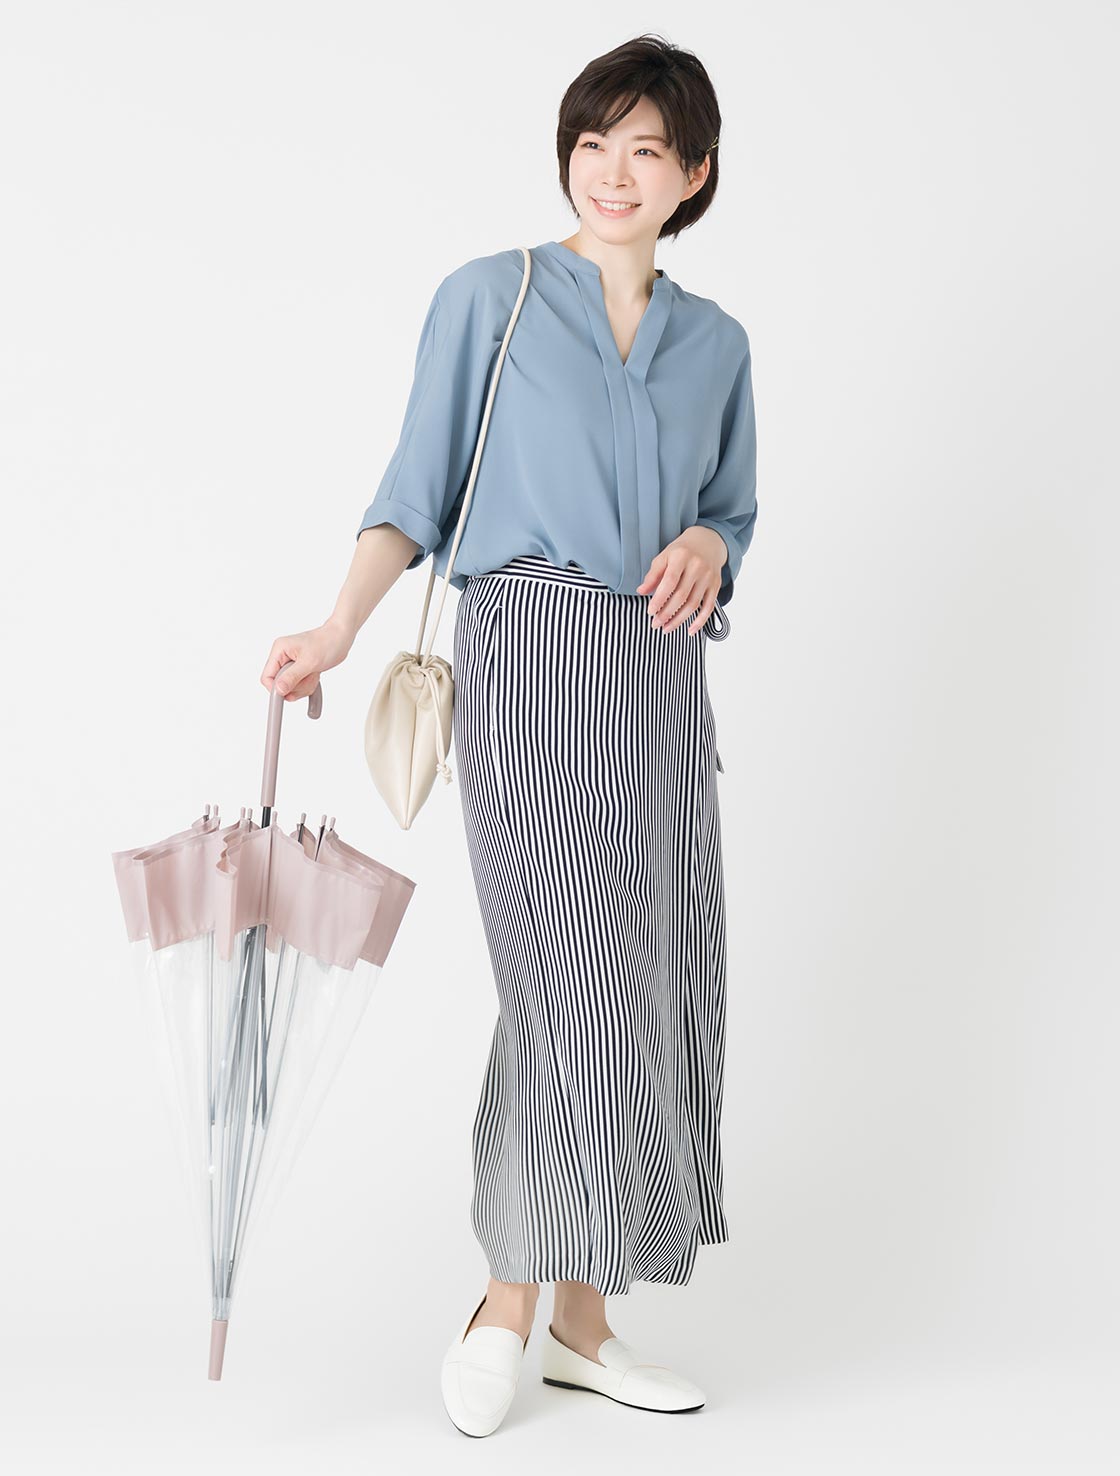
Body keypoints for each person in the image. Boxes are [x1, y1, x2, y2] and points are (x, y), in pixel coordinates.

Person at [261, 33, 758, 1437]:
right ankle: (504, 1303)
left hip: (660, 684)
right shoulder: (493, 296)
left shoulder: (717, 345)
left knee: (651, 982)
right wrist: (338, 627)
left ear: (693, 176)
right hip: (528, 658)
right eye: (595, 144)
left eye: (647, 151)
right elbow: (414, 487)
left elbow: (733, 508)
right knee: (565, 984)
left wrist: (713, 545)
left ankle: (584, 1327)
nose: (615, 172)